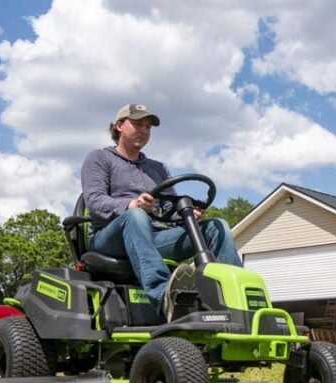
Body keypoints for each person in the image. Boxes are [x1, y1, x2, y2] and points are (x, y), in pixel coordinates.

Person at [80, 103, 242, 317]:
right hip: (110, 238)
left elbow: (169, 208)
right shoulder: (100, 159)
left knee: (216, 227)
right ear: (119, 125)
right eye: (138, 124)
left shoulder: (157, 168)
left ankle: (236, 301)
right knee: (136, 216)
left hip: (153, 237)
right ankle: (163, 294)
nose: (144, 131)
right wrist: (130, 205)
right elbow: (94, 201)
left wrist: (187, 214)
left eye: (148, 127)